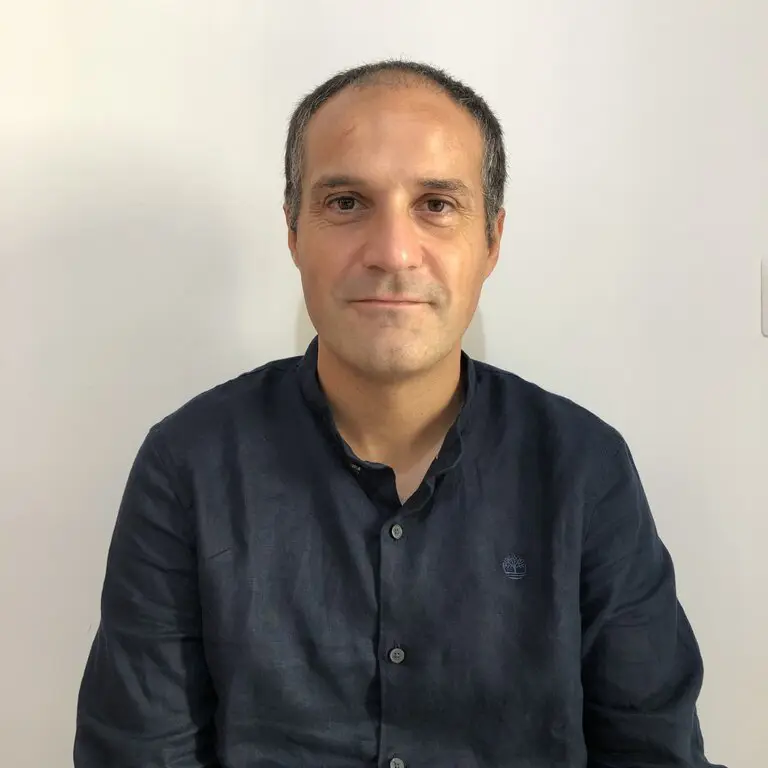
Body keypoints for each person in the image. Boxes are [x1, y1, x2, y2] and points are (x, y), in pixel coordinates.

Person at [74, 60, 725, 768]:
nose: (391, 253)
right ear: (293, 232)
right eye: (346, 202)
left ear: (492, 241)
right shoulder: (188, 466)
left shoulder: (583, 468)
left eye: (436, 204)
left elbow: (653, 750)